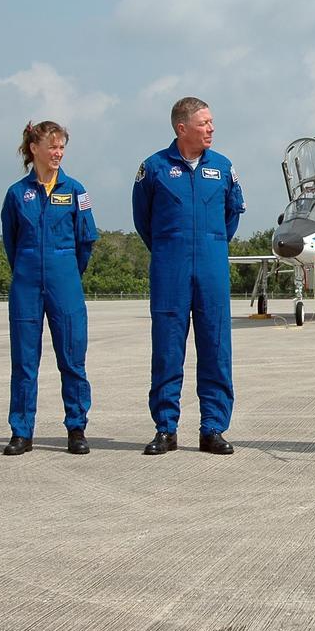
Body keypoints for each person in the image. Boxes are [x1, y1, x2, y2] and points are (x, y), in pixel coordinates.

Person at [132, 97, 245, 455]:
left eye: (211, 122)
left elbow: (232, 215)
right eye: (204, 123)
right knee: (167, 348)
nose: (211, 128)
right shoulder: (154, 169)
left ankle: (213, 427)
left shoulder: (223, 168)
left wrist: (210, 244)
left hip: (211, 267)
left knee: (215, 347)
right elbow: (142, 219)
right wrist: (170, 246)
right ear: (182, 128)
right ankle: (166, 428)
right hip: (170, 268)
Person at [0, 121, 98, 456]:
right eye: (52, 147)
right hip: (26, 281)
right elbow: (10, 242)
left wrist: (67, 270)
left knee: (72, 358)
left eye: (61, 147)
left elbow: (87, 239)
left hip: (65, 278)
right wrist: (29, 267)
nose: (57, 153)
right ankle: (21, 431)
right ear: (34, 150)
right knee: (24, 360)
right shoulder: (16, 194)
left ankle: (76, 427)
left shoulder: (76, 191)